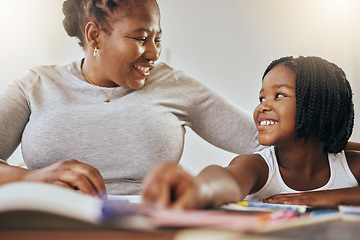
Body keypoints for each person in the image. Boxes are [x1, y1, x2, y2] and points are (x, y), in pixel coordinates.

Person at [0, 0, 263, 197]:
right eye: (140, 38)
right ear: (94, 35)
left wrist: (301, 188)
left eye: (157, 39)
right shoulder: (36, 85)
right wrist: (32, 178)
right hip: (46, 227)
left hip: (145, 227)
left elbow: (267, 143)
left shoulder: (173, 85)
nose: (153, 53)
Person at [141, 56, 360, 209]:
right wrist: (198, 188)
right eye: (262, 98)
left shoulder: (348, 165)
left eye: (280, 95)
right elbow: (227, 180)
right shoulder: (259, 167)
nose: (262, 106)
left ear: (324, 109)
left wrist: (329, 198)